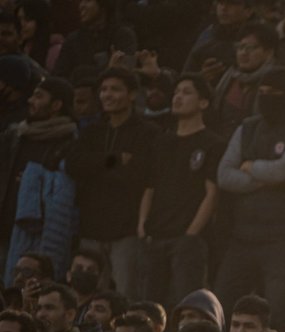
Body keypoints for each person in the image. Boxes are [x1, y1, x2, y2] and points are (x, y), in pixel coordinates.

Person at [215, 67, 285, 332]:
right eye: (262, 93)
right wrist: (265, 178)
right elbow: (224, 175)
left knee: (279, 309)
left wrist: (251, 168)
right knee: (222, 304)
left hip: (281, 239)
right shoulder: (248, 127)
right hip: (241, 236)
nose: (267, 98)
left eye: (274, 94)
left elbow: (284, 170)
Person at [64, 67, 158, 297]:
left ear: (132, 94)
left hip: (127, 231)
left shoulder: (148, 132)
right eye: (104, 89)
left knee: (126, 296)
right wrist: (115, 159)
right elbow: (74, 165)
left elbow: (141, 174)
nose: (108, 94)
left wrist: (97, 167)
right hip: (91, 227)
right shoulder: (92, 131)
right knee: (85, 297)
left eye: (115, 89)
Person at [138, 74, 222, 308]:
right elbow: (149, 186)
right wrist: (142, 225)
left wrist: (191, 234)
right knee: (149, 307)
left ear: (203, 102)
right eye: (176, 92)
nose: (178, 97)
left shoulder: (212, 143)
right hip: (156, 236)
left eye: (186, 92)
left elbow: (212, 193)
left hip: (187, 240)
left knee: (188, 306)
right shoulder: (161, 141)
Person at [0, 76, 77, 278]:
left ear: (56, 105)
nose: (30, 101)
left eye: (39, 96)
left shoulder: (68, 143)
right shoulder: (16, 136)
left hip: (36, 235)